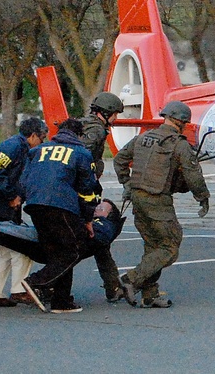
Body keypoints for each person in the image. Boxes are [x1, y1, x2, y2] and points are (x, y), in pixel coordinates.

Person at [113, 101, 210, 308]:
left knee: (153, 247)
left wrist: (127, 183)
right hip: (158, 200)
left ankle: (150, 295)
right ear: (183, 121)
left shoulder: (142, 138)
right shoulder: (179, 144)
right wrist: (203, 197)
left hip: (137, 199)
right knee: (170, 246)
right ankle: (129, 280)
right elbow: (193, 176)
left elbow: (120, 159)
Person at [19, 118, 102, 314]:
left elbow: (23, 180)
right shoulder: (82, 153)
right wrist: (88, 219)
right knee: (74, 249)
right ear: (79, 135)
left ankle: (61, 301)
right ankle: (36, 282)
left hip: (34, 204)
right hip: (61, 205)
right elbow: (88, 190)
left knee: (57, 252)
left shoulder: (38, 150)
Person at [0, 116, 48, 308]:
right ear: (32, 136)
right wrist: (11, 196)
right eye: (42, 138)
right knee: (22, 245)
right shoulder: (14, 147)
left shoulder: (17, 146)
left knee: (1, 247)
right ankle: (19, 290)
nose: (43, 142)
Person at [80, 92, 127, 303]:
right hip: (82, 192)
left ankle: (113, 285)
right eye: (115, 114)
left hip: (80, 190)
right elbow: (82, 159)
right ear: (106, 113)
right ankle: (112, 285)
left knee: (99, 242)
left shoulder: (84, 124)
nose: (116, 119)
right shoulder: (95, 130)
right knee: (94, 241)